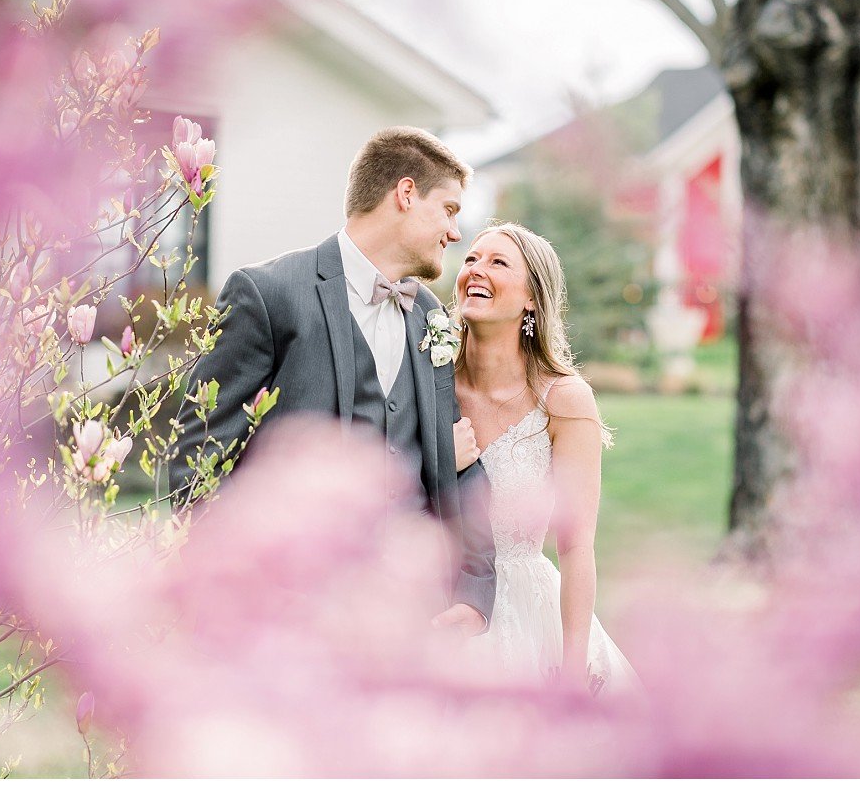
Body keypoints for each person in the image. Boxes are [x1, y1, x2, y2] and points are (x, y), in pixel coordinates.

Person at [169, 126, 496, 635]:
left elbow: (461, 461)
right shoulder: (270, 293)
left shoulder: (429, 314)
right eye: (449, 210)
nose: (456, 233)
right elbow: (197, 457)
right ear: (405, 194)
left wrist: (474, 592)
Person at [451, 221, 639, 694]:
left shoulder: (564, 400)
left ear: (532, 298)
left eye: (498, 262)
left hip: (530, 624)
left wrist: (572, 668)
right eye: (471, 258)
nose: (476, 270)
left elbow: (576, 547)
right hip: (443, 610)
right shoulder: (428, 384)